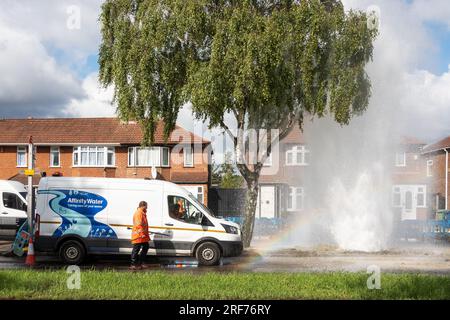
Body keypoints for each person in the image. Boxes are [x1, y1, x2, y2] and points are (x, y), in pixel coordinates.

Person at [130, 201, 150, 270]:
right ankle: (133, 264)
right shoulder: (139, 213)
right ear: (143, 206)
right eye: (146, 206)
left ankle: (140, 262)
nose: (147, 207)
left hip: (142, 235)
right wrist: (141, 234)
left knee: (146, 247)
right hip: (138, 235)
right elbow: (138, 225)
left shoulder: (142, 213)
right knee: (136, 249)